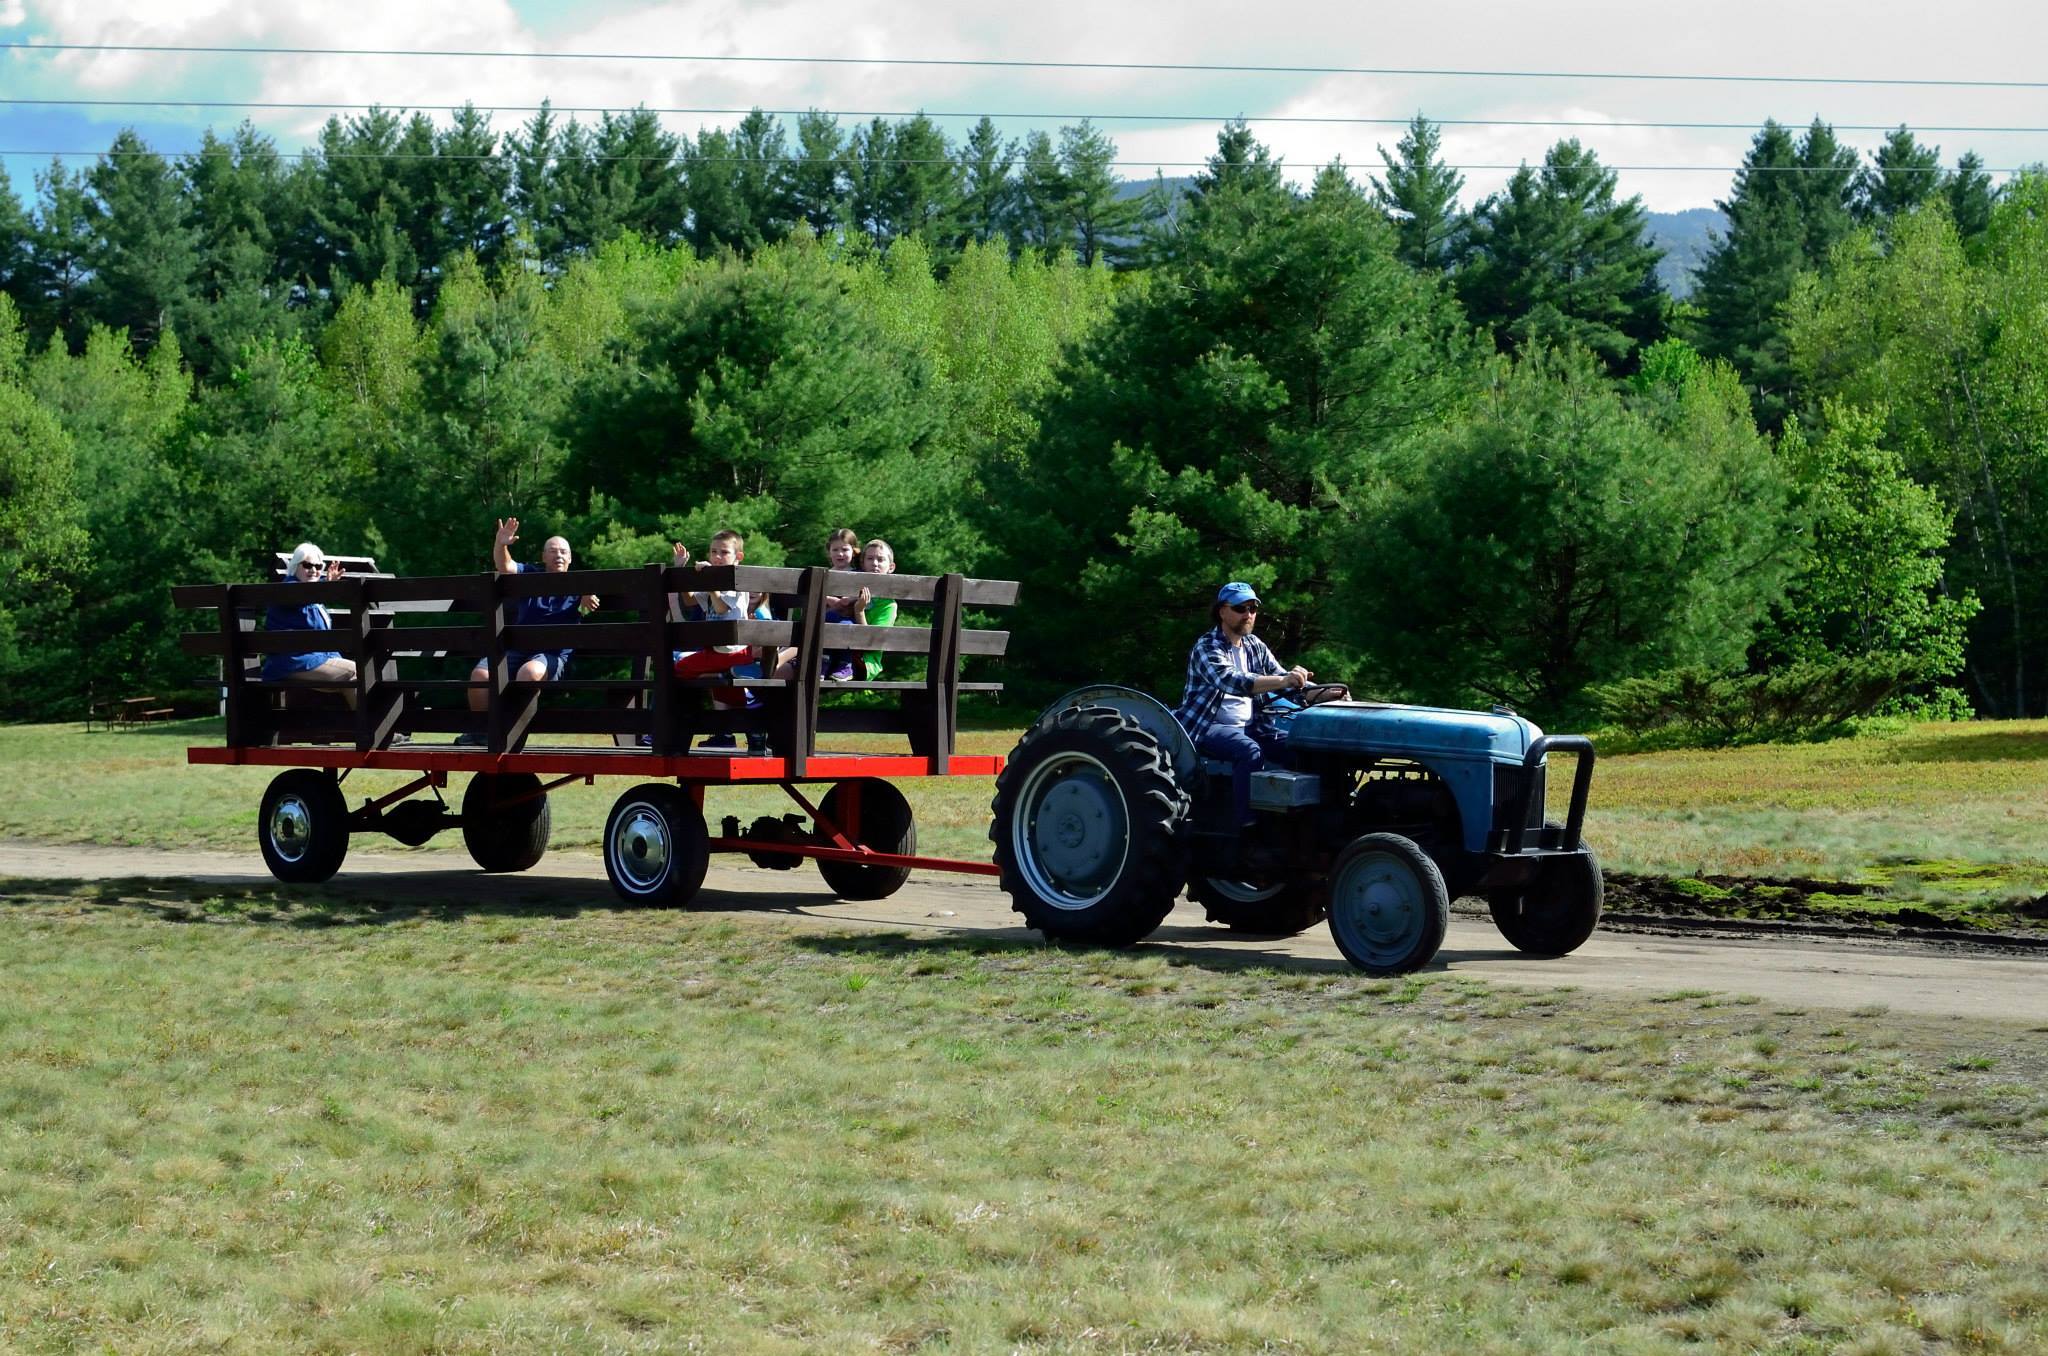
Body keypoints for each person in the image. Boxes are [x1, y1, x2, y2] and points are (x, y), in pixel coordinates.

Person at [1172, 581, 1313, 827]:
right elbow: (1233, 681)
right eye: (1240, 608)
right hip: (1207, 726)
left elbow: (1287, 683)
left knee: (1300, 748)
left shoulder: (1254, 646)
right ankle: (1245, 825)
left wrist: (1324, 693)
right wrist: (1284, 680)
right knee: (1249, 751)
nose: (1248, 615)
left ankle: (1298, 821)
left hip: (1251, 727)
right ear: (1222, 611)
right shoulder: (1207, 646)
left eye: (1253, 608)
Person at [460, 518, 599, 742]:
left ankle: (511, 733)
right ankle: (481, 733)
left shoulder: (579, 583)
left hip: (551, 656)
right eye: (553, 551)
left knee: (529, 673)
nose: (559, 555)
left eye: (564, 552)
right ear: (544, 557)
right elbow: (505, 566)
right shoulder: (530, 574)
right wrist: (501, 544)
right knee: (480, 675)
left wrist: (586, 595)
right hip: (516, 650)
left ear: (571, 558)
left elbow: (591, 603)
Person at [671, 529, 767, 750]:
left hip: (734, 651)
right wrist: (681, 570)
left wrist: (710, 583)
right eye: (714, 552)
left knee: (684, 668)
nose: (716, 557)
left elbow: (722, 607)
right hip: (718, 653)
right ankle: (738, 729)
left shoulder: (737, 582)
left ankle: (746, 716)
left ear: (738, 558)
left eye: (724, 552)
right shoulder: (712, 582)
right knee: (719, 685)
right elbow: (689, 601)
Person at [262, 543, 358, 709]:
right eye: (307, 565)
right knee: (357, 673)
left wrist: (324, 586)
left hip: (312, 661)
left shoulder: (313, 595)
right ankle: (373, 731)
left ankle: (373, 729)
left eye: (318, 566)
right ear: (295, 566)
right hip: (292, 662)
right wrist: (325, 587)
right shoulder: (287, 589)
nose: (313, 570)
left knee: (364, 674)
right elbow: (300, 595)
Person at [842, 537, 899, 681]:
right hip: (837, 651)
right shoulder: (853, 589)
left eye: (880, 559)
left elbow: (871, 644)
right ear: (863, 563)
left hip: (864, 663)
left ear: (891, 567)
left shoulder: (888, 605)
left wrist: (859, 611)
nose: (874, 563)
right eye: (870, 558)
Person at [820, 527, 863, 681]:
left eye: (845, 549)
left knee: (845, 626)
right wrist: (828, 599)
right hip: (828, 617)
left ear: (854, 551)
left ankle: (846, 664)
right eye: (835, 549)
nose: (839, 554)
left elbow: (863, 595)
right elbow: (817, 596)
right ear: (829, 552)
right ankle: (823, 662)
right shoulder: (825, 575)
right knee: (824, 623)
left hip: (849, 618)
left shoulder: (858, 574)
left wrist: (850, 599)